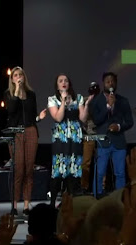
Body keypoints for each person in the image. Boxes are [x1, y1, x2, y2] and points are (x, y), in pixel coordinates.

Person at [5, 66, 46, 216]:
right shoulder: (8, 94)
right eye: (15, 75)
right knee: (19, 169)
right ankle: (14, 205)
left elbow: (32, 115)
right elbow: (11, 110)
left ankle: (27, 205)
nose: (18, 77)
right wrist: (16, 91)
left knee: (29, 169)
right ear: (12, 79)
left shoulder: (31, 94)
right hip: (16, 133)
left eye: (20, 75)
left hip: (30, 131)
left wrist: (39, 119)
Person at [47, 74, 89, 207]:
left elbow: (83, 118)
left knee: (73, 170)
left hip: (75, 138)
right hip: (61, 138)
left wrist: (86, 105)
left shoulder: (78, 98)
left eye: (66, 80)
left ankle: (71, 203)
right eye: (60, 81)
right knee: (58, 170)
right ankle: (53, 203)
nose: (64, 82)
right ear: (57, 85)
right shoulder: (53, 99)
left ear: (69, 84)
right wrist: (63, 102)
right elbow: (58, 118)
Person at [90, 72, 134, 196]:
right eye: (108, 81)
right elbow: (97, 120)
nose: (110, 83)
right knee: (100, 172)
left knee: (120, 173)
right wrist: (108, 106)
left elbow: (130, 122)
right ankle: (97, 196)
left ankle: (119, 197)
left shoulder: (123, 101)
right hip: (103, 142)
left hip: (119, 142)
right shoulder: (96, 101)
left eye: (113, 81)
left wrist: (119, 126)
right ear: (103, 83)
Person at [81, 82, 101, 193]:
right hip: (88, 135)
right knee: (85, 163)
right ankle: (84, 187)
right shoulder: (85, 101)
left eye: (95, 90)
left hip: (100, 135)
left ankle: (100, 187)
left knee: (101, 163)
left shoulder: (103, 101)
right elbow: (82, 117)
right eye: (91, 90)